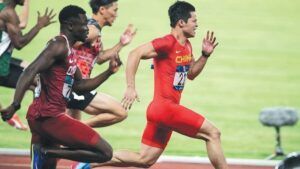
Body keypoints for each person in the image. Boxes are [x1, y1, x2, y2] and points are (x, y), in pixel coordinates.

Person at [87, 1, 229, 169]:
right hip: (165, 108)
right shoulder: (166, 43)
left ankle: (89, 163)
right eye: (194, 20)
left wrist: (205, 55)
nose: (197, 24)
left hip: (162, 111)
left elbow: (191, 74)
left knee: (144, 160)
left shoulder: (187, 46)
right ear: (181, 23)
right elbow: (135, 54)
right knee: (213, 133)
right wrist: (131, 87)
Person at [0, 5, 121, 169]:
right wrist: (15, 104)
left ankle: (45, 152)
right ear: (71, 26)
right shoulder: (59, 45)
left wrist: (109, 72)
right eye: (84, 24)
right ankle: (47, 152)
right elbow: (29, 71)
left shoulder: (68, 50)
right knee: (105, 152)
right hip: (49, 117)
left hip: (45, 117)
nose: (88, 29)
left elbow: (80, 85)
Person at [67, 0, 136, 128]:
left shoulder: (94, 29)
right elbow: (67, 44)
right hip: (74, 85)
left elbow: (99, 58)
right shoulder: (92, 30)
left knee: (68, 139)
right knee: (120, 112)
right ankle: (77, 127)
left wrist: (121, 44)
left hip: (78, 85)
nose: (116, 14)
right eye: (114, 10)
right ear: (102, 10)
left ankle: (74, 129)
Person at [0, 0, 55, 130]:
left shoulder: (3, 9)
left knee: (33, 75)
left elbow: (20, 25)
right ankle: (41, 128)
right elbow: (19, 43)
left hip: (4, 60)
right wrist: (39, 25)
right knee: (38, 82)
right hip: (1, 67)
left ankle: (15, 111)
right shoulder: (9, 13)